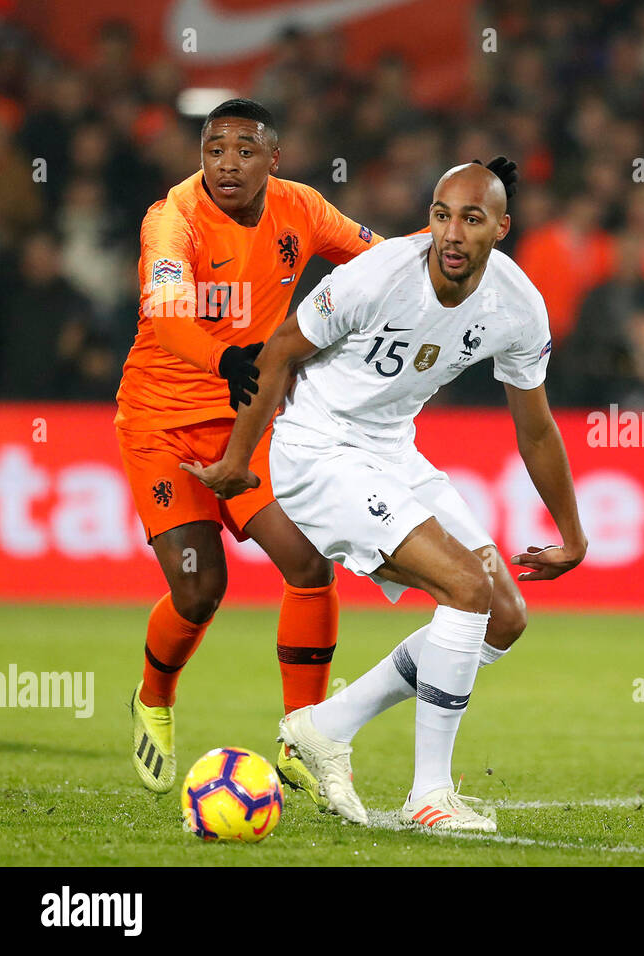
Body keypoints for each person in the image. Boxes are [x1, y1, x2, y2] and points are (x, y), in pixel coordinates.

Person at [184, 159, 588, 832]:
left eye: (471, 218)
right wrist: (235, 461)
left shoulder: (517, 305)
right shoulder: (378, 275)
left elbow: (537, 426)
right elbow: (280, 349)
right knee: (465, 586)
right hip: (318, 450)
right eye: (440, 215)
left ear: (502, 227)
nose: (452, 233)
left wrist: (573, 532)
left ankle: (323, 726)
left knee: (504, 615)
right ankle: (430, 795)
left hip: (392, 451)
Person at [118, 98, 383, 798]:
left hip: (245, 421)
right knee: (202, 590)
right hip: (162, 424)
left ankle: (304, 735)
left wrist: (456, 232)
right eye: (214, 149)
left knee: (309, 563)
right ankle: (153, 698)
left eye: (243, 149)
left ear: (275, 158)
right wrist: (225, 359)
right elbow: (166, 316)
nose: (226, 163)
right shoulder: (171, 218)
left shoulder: (303, 209)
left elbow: (382, 261)